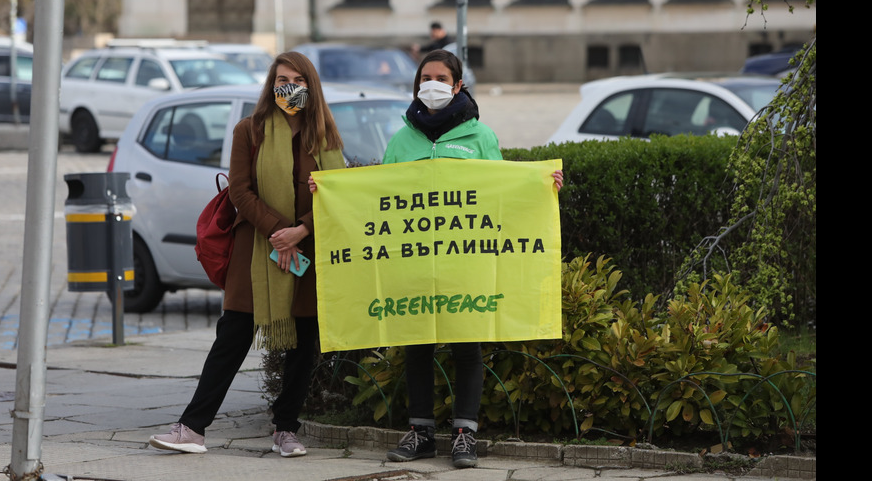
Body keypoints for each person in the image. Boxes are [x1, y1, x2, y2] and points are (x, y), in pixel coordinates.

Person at [149, 51, 345, 457]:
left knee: (302, 342)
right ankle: (191, 428)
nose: (287, 87)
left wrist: (302, 230)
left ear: (311, 85)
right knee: (233, 336)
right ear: (270, 85)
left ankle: (286, 430)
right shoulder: (249, 130)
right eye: (280, 79)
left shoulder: (324, 135)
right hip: (255, 250)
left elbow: (337, 192)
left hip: (308, 249)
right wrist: (278, 232)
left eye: (296, 79)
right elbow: (240, 190)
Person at [377, 49, 563, 469]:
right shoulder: (401, 140)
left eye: (441, 77)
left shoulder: (481, 137)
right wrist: (329, 196)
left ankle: (465, 435)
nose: (432, 84)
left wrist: (541, 186)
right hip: (417, 263)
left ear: (458, 85)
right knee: (417, 345)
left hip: (466, 264)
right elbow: (378, 198)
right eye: (425, 77)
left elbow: (501, 194)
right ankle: (421, 433)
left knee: (466, 346)